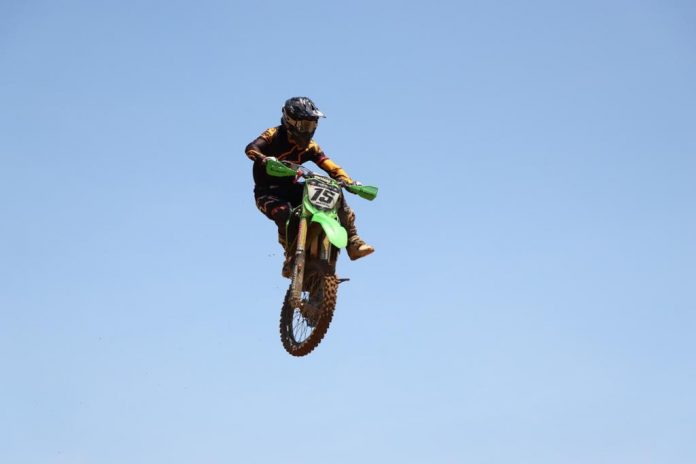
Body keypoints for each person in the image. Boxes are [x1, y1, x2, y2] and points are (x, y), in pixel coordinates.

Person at [245, 97, 374, 277]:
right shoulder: (273, 134)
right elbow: (251, 148)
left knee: (333, 189)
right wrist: (264, 158)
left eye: (313, 125)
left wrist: (348, 181)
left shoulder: (311, 147)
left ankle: (353, 240)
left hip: (293, 189)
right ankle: (289, 256)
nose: (309, 130)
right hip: (268, 192)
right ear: (290, 121)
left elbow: (329, 165)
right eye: (305, 125)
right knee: (283, 212)